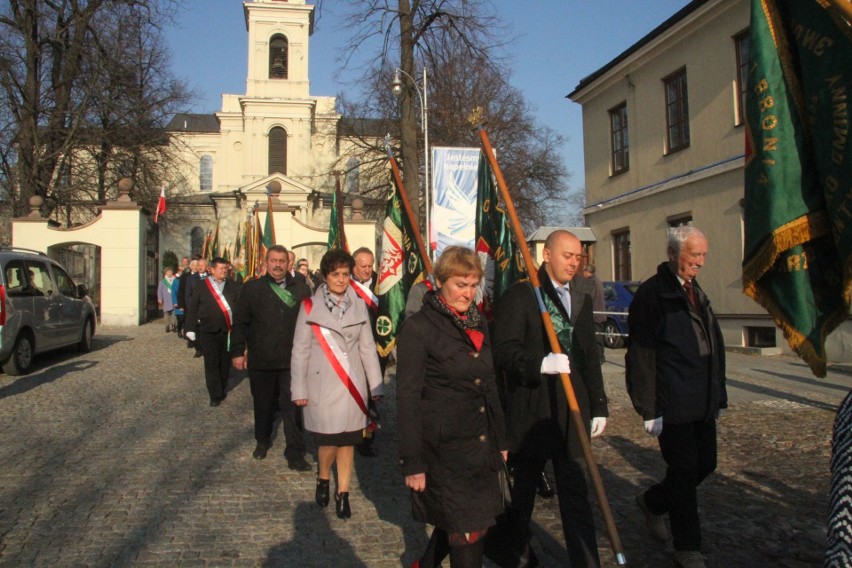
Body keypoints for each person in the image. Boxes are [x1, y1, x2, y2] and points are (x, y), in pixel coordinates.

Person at [492, 229, 608, 568]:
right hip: (533, 411)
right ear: (546, 255)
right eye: (566, 255)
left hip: (572, 411)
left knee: (576, 494)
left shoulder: (582, 295)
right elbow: (503, 351)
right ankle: (516, 554)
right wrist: (538, 364)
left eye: (578, 257)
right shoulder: (523, 295)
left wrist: (598, 405)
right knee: (522, 496)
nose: (573, 262)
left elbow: (589, 356)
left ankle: (586, 562)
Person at [397, 246, 508, 568]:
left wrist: (501, 440)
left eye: (474, 285)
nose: (468, 293)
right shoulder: (418, 328)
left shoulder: (479, 324)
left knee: (474, 522)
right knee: (467, 531)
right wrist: (412, 461)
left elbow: (489, 385)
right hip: (443, 450)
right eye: (461, 284)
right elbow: (407, 398)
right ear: (440, 282)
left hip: (481, 444)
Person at [626, 226, 726, 568]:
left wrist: (718, 395)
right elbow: (640, 354)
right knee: (683, 471)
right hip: (672, 401)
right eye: (694, 255)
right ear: (673, 254)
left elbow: (711, 345)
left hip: (702, 399)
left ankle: (653, 502)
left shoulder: (695, 290)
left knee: (706, 464)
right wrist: (648, 407)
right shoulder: (653, 295)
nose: (700, 262)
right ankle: (688, 547)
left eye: (703, 255)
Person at [291, 249, 384, 519]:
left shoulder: (359, 305)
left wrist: (376, 386)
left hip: (352, 386)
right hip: (323, 385)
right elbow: (300, 351)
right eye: (336, 274)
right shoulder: (309, 307)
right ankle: (323, 478)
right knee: (329, 441)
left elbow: (367, 348)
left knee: (348, 443)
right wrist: (299, 389)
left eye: (345, 274)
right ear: (325, 276)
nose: (341, 280)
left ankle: (343, 493)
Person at [230, 245, 312, 470]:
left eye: (282, 261)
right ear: (266, 263)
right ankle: (262, 440)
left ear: (289, 264)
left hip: (292, 361)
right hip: (261, 360)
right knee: (263, 404)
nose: (277, 265)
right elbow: (240, 323)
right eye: (273, 260)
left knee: (294, 408)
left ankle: (295, 452)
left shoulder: (302, 290)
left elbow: (311, 324)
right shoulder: (251, 289)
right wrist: (238, 351)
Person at [185, 257, 239, 407]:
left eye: (225, 268)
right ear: (212, 269)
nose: (224, 271)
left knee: (224, 363)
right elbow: (193, 308)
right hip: (208, 330)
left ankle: (221, 386)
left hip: (227, 331)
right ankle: (214, 394)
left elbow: (239, 308)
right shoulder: (202, 286)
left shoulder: (233, 286)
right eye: (221, 268)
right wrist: (189, 328)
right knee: (211, 363)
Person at [350, 247, 383, 457]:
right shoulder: (345, 285)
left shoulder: (383, 285)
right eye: (363, 266)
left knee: (371, 398)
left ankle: (367, 440)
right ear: (354, 265)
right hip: (351, 350)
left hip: (376, 349)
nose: (367, 270)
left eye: (370, 266)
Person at [581, 263, 606, 364]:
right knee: (598, 336)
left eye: (583, 270)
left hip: (595, 314)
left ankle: (599, 357)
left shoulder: (591, 282)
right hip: (599, 313)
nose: (582, 272)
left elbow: (587, 297)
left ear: (588, 272)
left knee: (597, 336)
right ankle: (599, 356)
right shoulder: (596, 280)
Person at [157, 267, 177, 333]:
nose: (169, 273)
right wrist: (159, 298)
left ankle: (173, 324)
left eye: (170, 272)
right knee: (166, 313)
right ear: (165, 273)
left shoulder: (175, 280)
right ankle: (167, 325)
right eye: (168, 272)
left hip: (174, 299)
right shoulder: (162, 282)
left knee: (174, 313)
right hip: (166, 299)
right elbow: (159, 291)